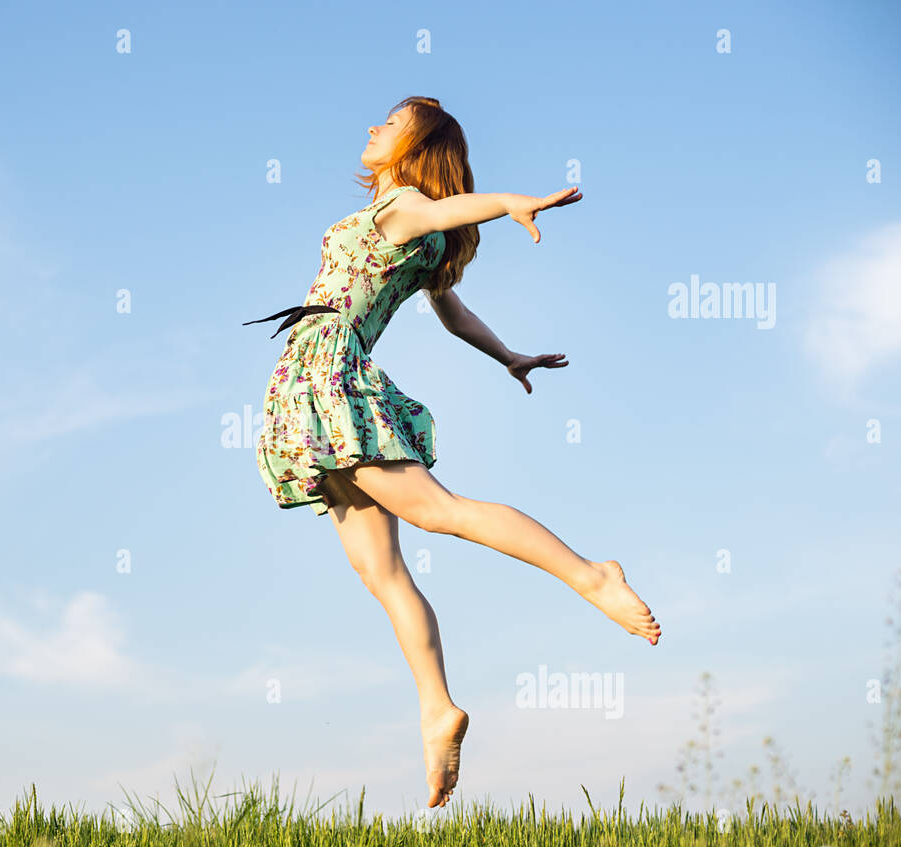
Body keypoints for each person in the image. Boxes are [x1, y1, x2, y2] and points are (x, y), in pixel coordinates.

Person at [248, 96, 661, 810]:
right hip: (311, 385)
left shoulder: (406, 206)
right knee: (380, 569)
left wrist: (509, 202)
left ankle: (592, 573)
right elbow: (451, 310)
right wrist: (508, 355)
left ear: (416, 146)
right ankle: (437, 709)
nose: (372, 127)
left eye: (390, 121)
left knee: (438, 512)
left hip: (329, 371)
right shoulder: (409, 225)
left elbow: (449, 212)